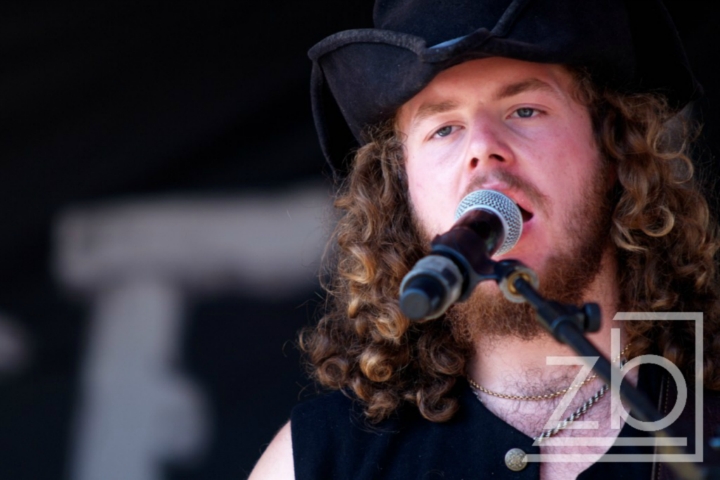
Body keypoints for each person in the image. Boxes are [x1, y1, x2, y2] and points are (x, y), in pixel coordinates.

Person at [250, 0, 720, 478]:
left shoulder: (704, 424)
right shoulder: (319, 458)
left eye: (525, 110)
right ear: (401, 186)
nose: (482, 149)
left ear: (614, 145)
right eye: (444, 128)